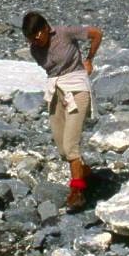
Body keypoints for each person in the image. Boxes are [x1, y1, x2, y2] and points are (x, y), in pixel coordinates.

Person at [22, 11, 102, 212]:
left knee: (70, 144)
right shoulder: (34, 49)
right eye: (31, 38)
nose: (35, 41)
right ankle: (87, 174)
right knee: (62, 148)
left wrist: (89, 59)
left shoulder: (65, 33)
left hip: (76, 87)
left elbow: (96, 34)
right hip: (55, 90)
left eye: (37, 35)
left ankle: (77, 191)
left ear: (46, 29)